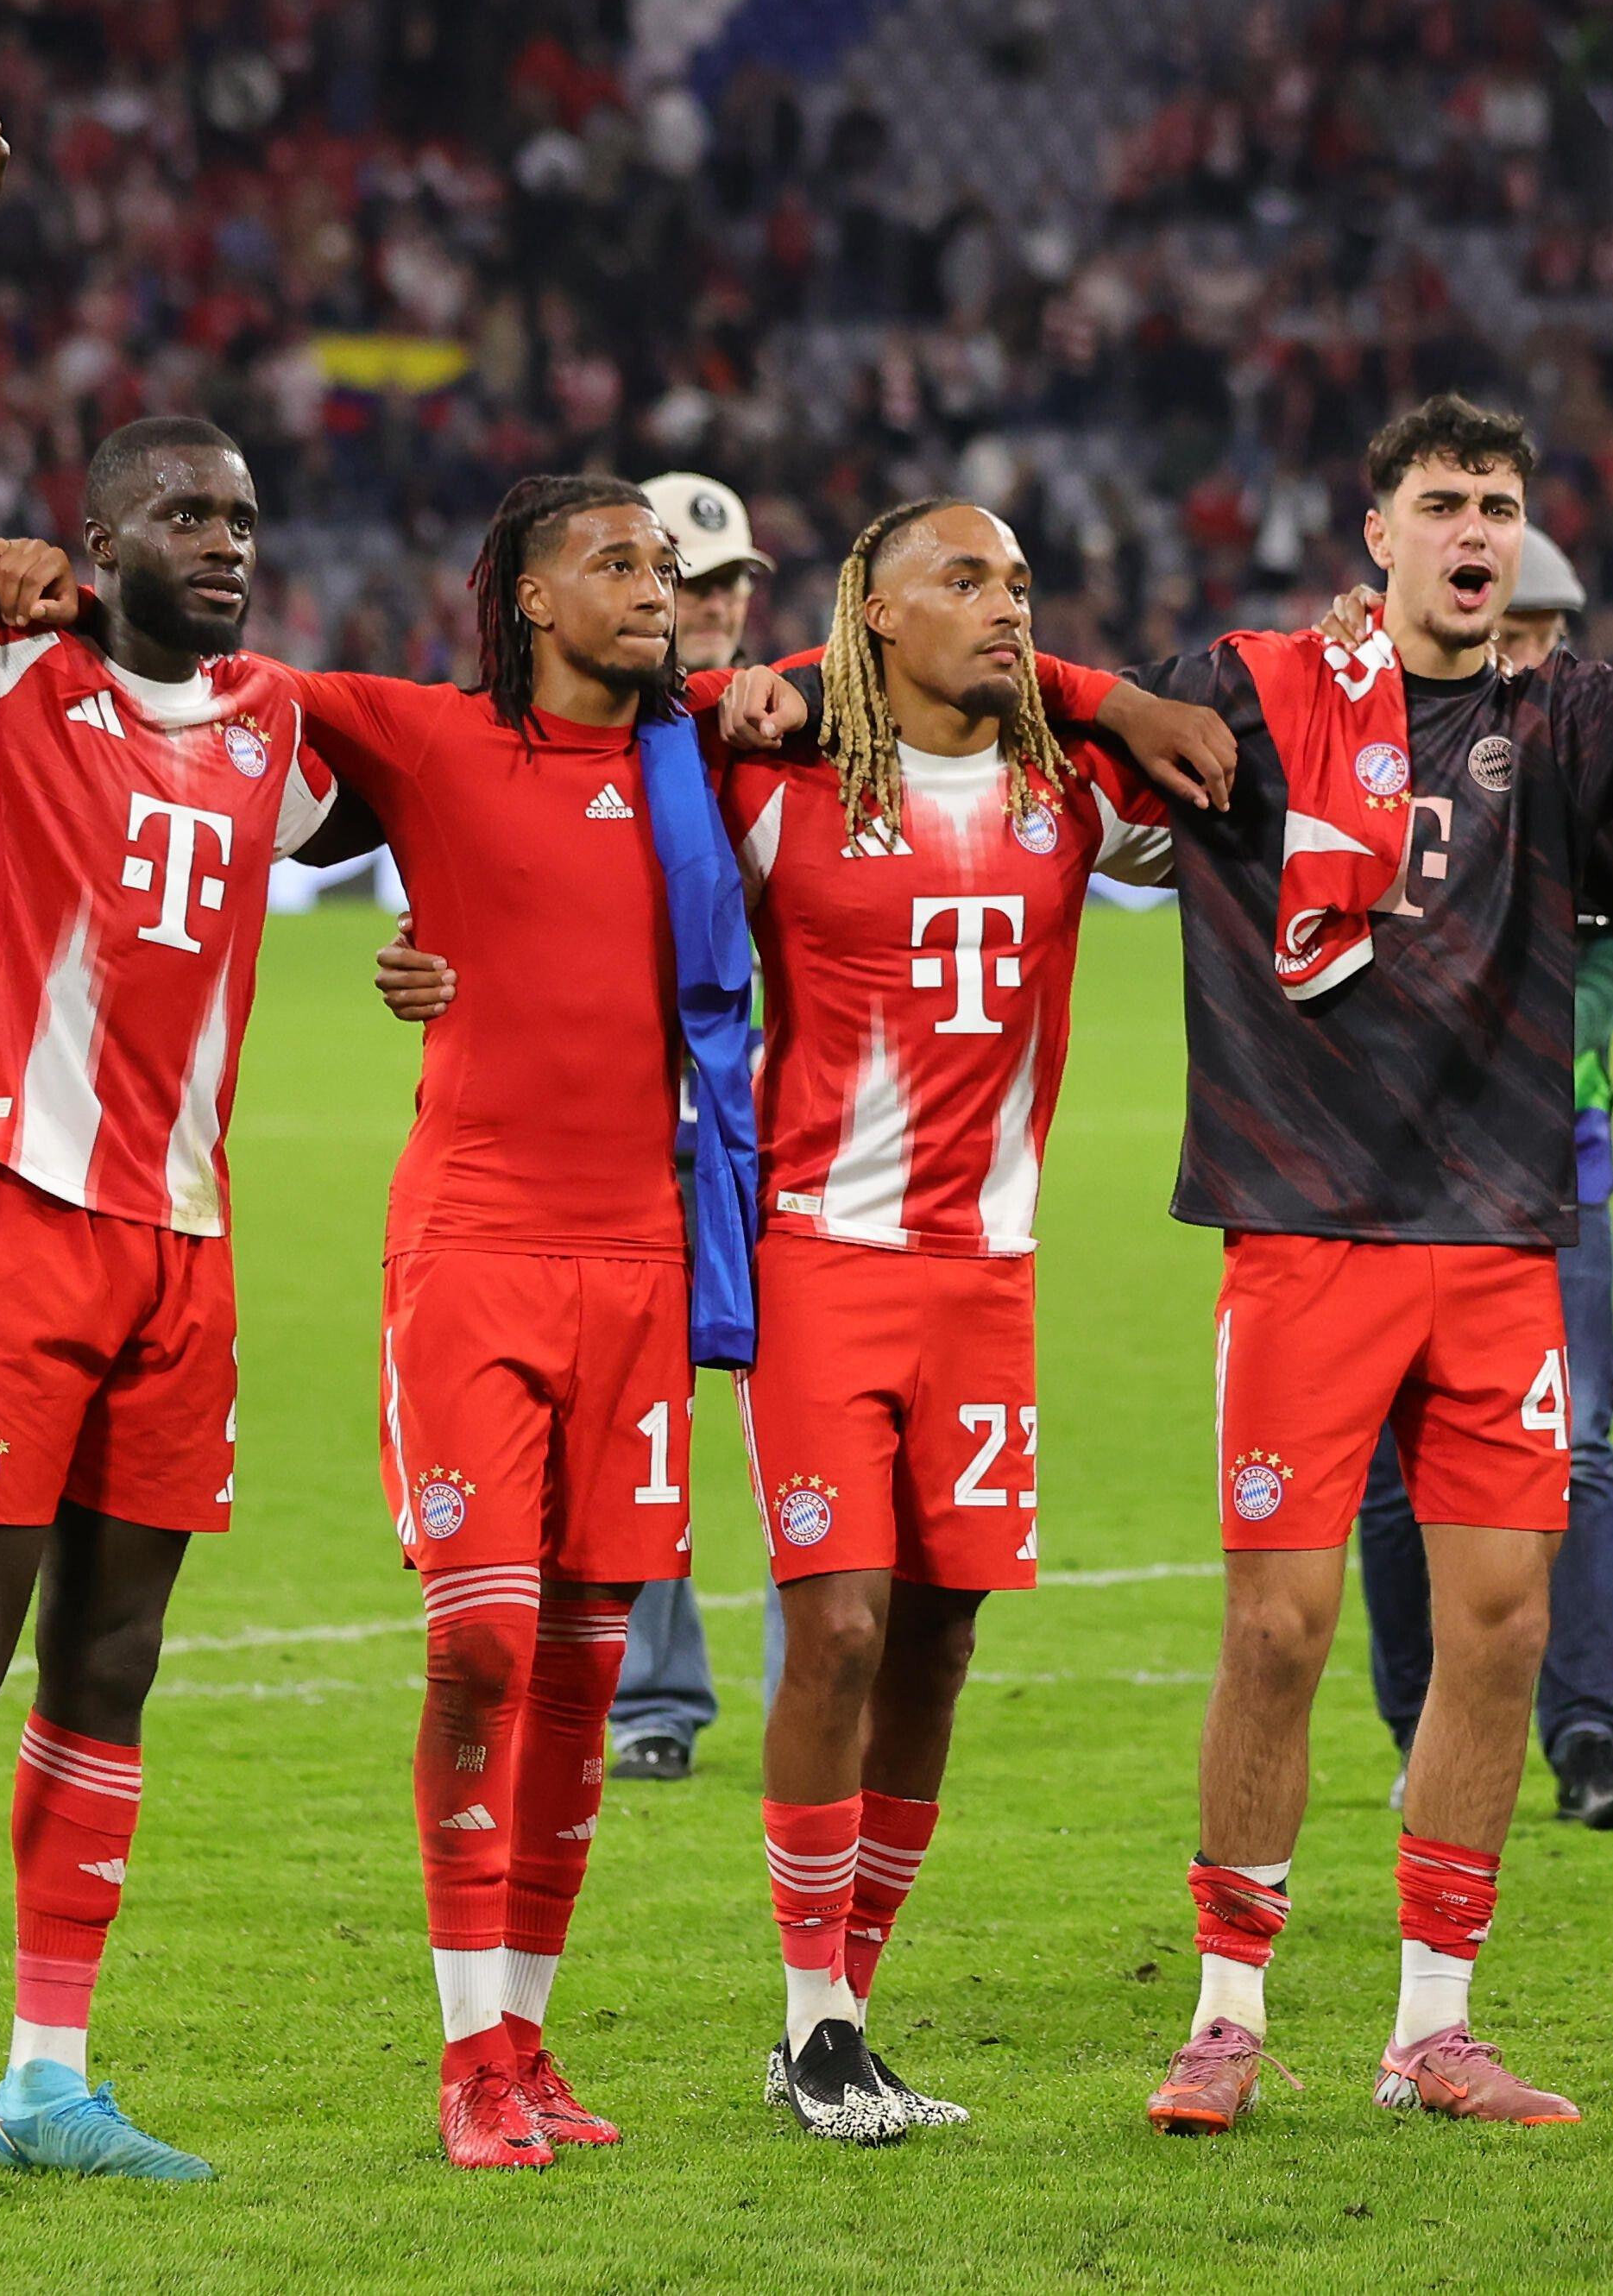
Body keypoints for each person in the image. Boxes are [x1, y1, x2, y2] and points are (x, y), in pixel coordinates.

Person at [1129, 394, 1613, 2135]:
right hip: (1305, 1235)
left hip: (1498, 1240)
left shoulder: (1563, 718)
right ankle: (1226, 2012)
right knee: (1278, 1628)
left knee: (1503, 1627)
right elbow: (1081, 749)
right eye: (1445, 501)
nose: (1476, 531)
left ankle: (1433, 2023)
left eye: (1500, 506)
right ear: (1378, 531)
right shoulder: (1250, 691)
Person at [0, 117, 342, 2201]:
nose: (228, 542)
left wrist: (441, 941)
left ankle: (47, 2071)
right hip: (2, 1224)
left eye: (246, 517)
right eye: (189, 514)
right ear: (91, 540)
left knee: (111, 1667)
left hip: (185, 1253)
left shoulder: (288, 725)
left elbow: (432, 803)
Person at [725, 501, 1188, 2141]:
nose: (1005, 608)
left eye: (1021, 584)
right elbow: (595, 807)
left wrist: (1115, 695)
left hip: (990, 1276)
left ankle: (841, 2013)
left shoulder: (1071, 790)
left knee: (941, 1632)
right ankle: (811, 2011)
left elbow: (1228, 764)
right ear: (873, 607)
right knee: (838, 1618)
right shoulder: (769, 782)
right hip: (820, 1258)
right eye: (968, 581)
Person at [1349, 524, 1613, 1829]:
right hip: (1386, 1160)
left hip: (1553, 1159)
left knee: (1576, 1448)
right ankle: (1421, 1723)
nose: (1513, 655)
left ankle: (1583, 1730)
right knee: (1389, 1460)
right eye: (1501, 629)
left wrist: (1527, 1042)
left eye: (1534, 635)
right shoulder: (1376, 744)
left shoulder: (1584, 762)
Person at [606, 468, 778, 1786]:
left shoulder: (796, 733)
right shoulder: (582, 741)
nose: (712, 606)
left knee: (799, 1407)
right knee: (638, 1419)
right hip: (620, 1128)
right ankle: (656, 1694)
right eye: (687, 580)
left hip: (777, 1125)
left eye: (729, 584)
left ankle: (807, 1683)